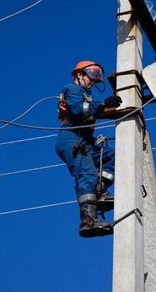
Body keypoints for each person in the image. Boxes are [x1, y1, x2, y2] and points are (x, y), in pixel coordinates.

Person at [55, 60, 122, 238]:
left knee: (111, 156)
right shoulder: (73, 89)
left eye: (95, 79)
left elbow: (90, 109)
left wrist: (106, 107)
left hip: (85, 141)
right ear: (79, 74)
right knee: (87, 173)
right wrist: (103, 105)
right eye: (90, 76)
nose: (92, 82)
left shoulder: (87, 94)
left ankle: (99, 191)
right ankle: (88, 222)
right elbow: (77, 110)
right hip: (72, 138)